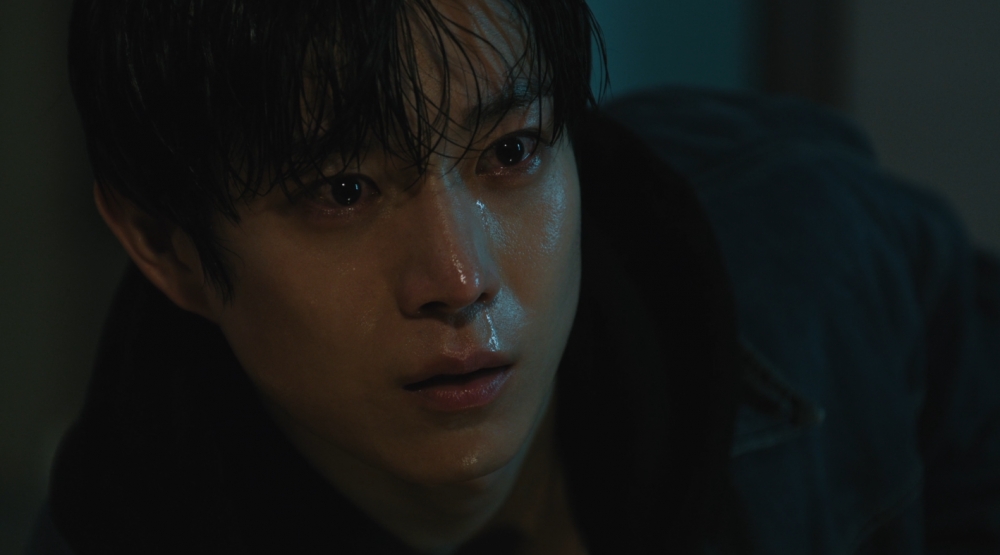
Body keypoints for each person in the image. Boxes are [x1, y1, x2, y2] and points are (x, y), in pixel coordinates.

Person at [30, 0, 1000, 553]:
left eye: (511, 151)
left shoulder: (793, 236)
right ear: (166, 246)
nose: (460, 277)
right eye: (342, 190)